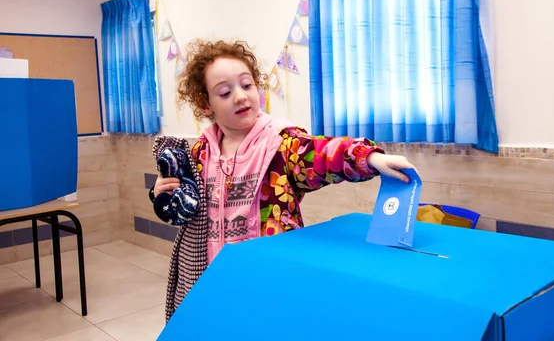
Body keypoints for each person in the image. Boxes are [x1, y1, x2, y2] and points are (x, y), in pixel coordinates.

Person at [149, 39, 416, 322]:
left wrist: (370, 158)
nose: (240, 96)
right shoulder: (196, 155)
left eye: (247, 85)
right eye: (225, 92)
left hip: (267, 280)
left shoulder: (281, 145)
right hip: (212, 279)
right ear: (206, 104)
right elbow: (180, 211)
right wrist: (160, 194)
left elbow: (321, 154)